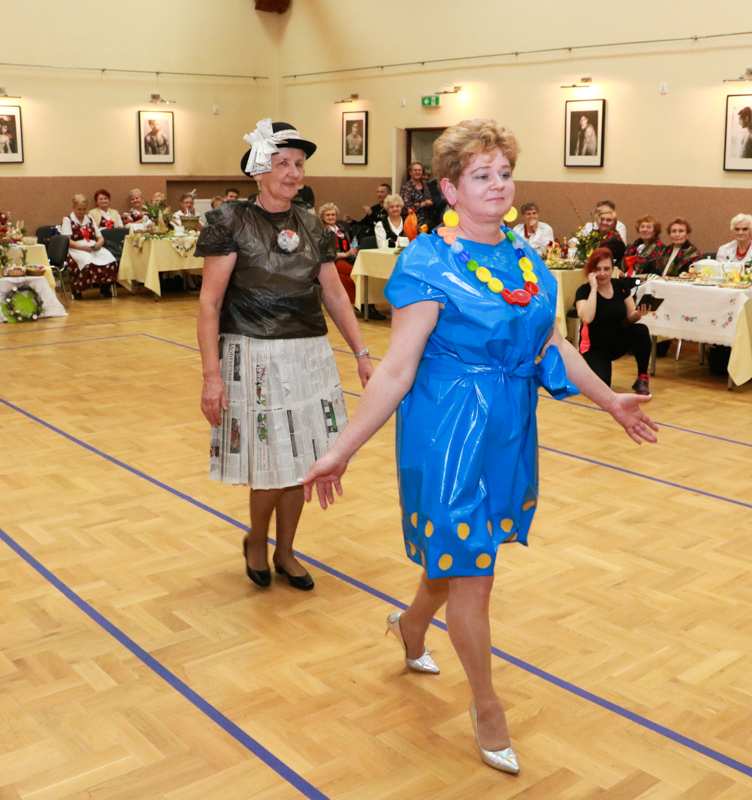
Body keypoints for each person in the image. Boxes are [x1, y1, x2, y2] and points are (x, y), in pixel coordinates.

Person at [299, 118, 657, 775]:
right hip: (446, 431)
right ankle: (487, 706)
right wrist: (341, 449)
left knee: (463, 555)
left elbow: (553, 346)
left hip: (508, 429)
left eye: (504, 173)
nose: (497, 185)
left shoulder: (524, 257)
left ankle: (411, 626)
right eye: (481, 175)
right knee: (474, 569)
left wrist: (610, 400)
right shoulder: (426, 260)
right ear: (450, 189)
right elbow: (397, 370)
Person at [195, 119, 373, 594]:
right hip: (253, 353)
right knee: (271, 459)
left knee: (304, 458)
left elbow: (334, 293)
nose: (293, 172)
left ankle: (286, 549)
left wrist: (362, 352)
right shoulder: (230, 221)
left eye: (299, 164)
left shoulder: (313, 224)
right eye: (283, 163)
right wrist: (211, 376)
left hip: (309, 354)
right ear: (259, 170)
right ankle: (257, 539)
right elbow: (210, 303)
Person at [575, 248, 653, 394]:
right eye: (598, 269)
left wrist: (639, 314)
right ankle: (581, 370)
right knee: (603, 386)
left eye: (606, 269)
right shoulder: (584, 291)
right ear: (591, 271)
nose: (602, 273)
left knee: (641, 329)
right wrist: (594, 289)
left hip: (617, 342)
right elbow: (587, 318)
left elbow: (631, 316)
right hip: (595, 347)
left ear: (613, 269)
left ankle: (642, 378)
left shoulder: (620, 286)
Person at [60, 193, 118, 300]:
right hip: (76, 248)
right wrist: (83, 248)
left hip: (92, 247)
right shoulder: (68, 220)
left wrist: (99, 243)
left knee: (110, 259)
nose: (82, 212)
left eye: (84, 209)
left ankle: (105, 287)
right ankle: (78, 290)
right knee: (86, 262)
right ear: (73, 207)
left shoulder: (90, 219)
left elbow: (99, 236)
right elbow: (67, 240)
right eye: (79, 209)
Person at [318, 202, 359, 305]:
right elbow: (324, 253)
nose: (331, 217)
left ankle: (362, 303)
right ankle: (358, 303)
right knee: (357, 272)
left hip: (347, 259)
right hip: (331, 261)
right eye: (328, 215)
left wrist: (351, 252)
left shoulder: (342, 229)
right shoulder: (321, 231)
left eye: (333, 214)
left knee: (352, 276)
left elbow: (348, 245)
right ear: (322, 217)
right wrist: (346, 254)